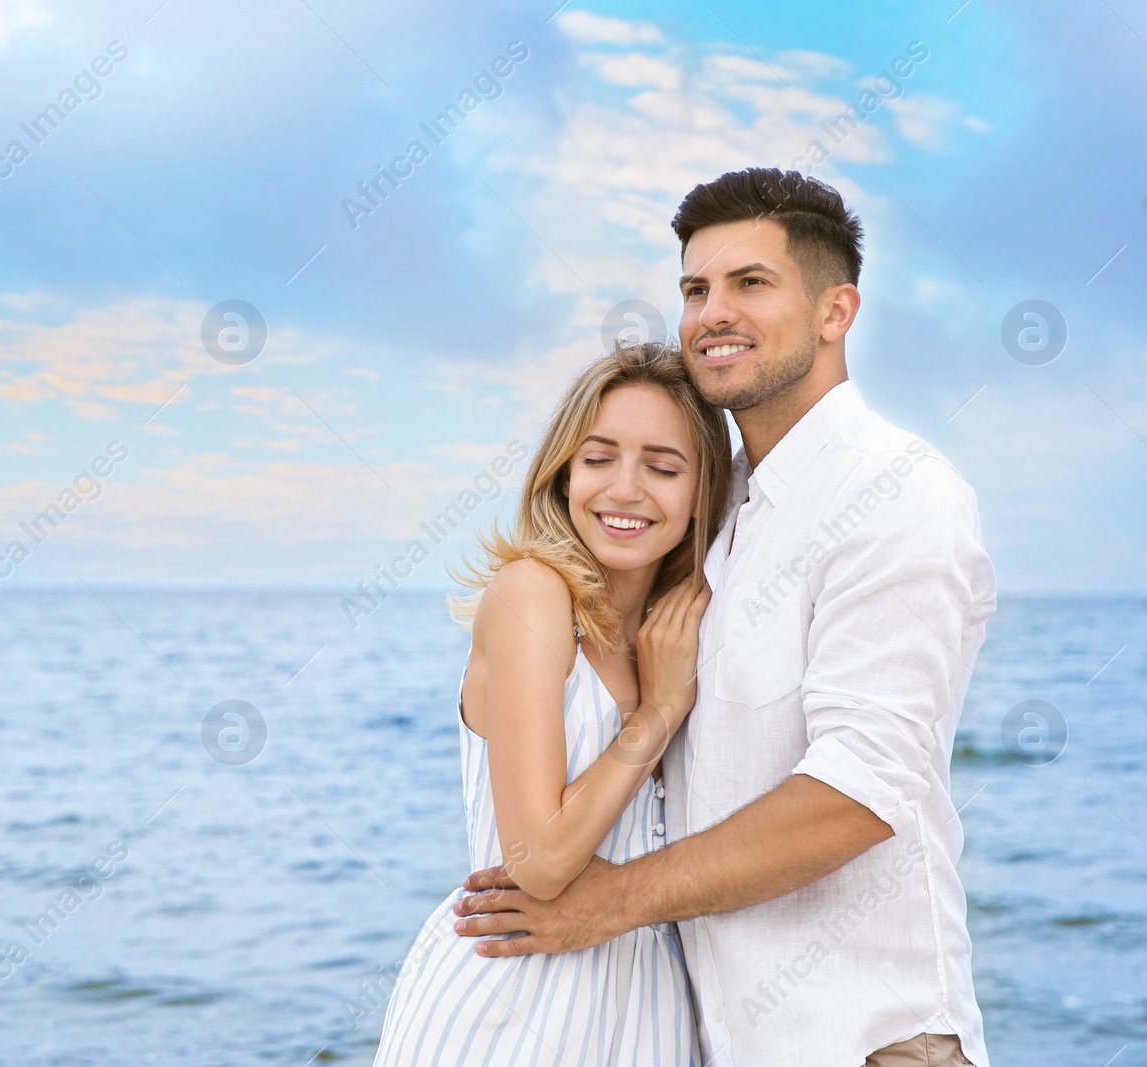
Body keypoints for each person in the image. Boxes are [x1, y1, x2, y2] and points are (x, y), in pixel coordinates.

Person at [453, 169, 998, 1067]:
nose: (713, 311)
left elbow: (858, 793)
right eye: (695, 289)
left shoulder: (897, 494)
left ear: (837, 312)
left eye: (751, 283)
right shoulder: (717, 509)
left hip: (867, 1041)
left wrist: (614, 900)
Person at [372, 341, 734, 1065]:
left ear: (703, 492)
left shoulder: (683, 630)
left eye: (663, 467)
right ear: (564, 469)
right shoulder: (533, 596)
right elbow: (537, 861)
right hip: (514, 1003)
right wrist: (656, 715)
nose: (624, 489)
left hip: (649, 1005)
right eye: (598, 458)